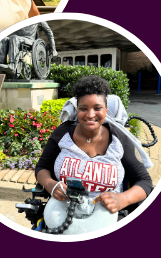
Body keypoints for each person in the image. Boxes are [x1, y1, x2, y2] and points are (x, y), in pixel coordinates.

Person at [34, 76, 152, 228]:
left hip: (107, 218)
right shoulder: (62, 134)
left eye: (97, 108)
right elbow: (42, 167)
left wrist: (123, 199)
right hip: (63, 212)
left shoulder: (119, 140)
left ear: (106, 110)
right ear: (77, 109)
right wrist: (51, 184)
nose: (90, 115)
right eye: (83, 108)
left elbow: (145, 182)